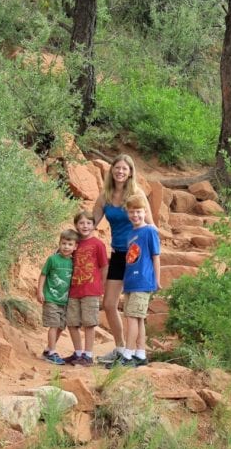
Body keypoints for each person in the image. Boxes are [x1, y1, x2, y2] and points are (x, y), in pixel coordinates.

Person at [92, 153, 153, 364]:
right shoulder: (105, 196)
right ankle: (120, 348)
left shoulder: (137, 194)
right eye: (117, 168)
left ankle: (136, 352)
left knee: (132, 308)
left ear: (130, 172)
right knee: (109, 304)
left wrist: (152, 259)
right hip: (118, 254)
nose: (120, 172)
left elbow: (151, 226)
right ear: (112, 171)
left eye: (124, 169)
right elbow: (91, 223)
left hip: (136, 256)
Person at [109, 192, 160, 368]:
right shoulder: (131, 234)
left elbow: (156, 256)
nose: (135, 215)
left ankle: (128, 354)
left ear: (145, 212)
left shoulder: (150, 231)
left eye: (138, 211)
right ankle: (140, 353)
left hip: (143, 280)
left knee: (131, 317)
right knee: (137, 318)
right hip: (131, 281)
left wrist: (157, 280)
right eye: (131, 212)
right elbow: (130, 259)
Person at [64, 209, 109, 367]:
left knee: (89, 323)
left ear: (93, 225)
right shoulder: (73, 243)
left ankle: (88, 355)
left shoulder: (98, 244)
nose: (85, 226)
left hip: (91, 289)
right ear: (76, 225)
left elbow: (104, 267)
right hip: (74, 290)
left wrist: (102, 287)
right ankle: (77, 353)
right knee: (72, 322)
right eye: (81, 223)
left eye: (88, 223)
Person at [36, 228, 79, 364]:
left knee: (61, 326)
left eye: (70, 244)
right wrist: (40, 291)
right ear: (59, 244)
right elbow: (43, 274)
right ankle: (52, 352)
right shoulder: (52, 259)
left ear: (75, 246)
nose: (66, 247)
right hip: (51, 298)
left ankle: (48, 350)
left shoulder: (73, 262)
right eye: (64, 243)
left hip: (65, 301)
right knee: (53, 325)